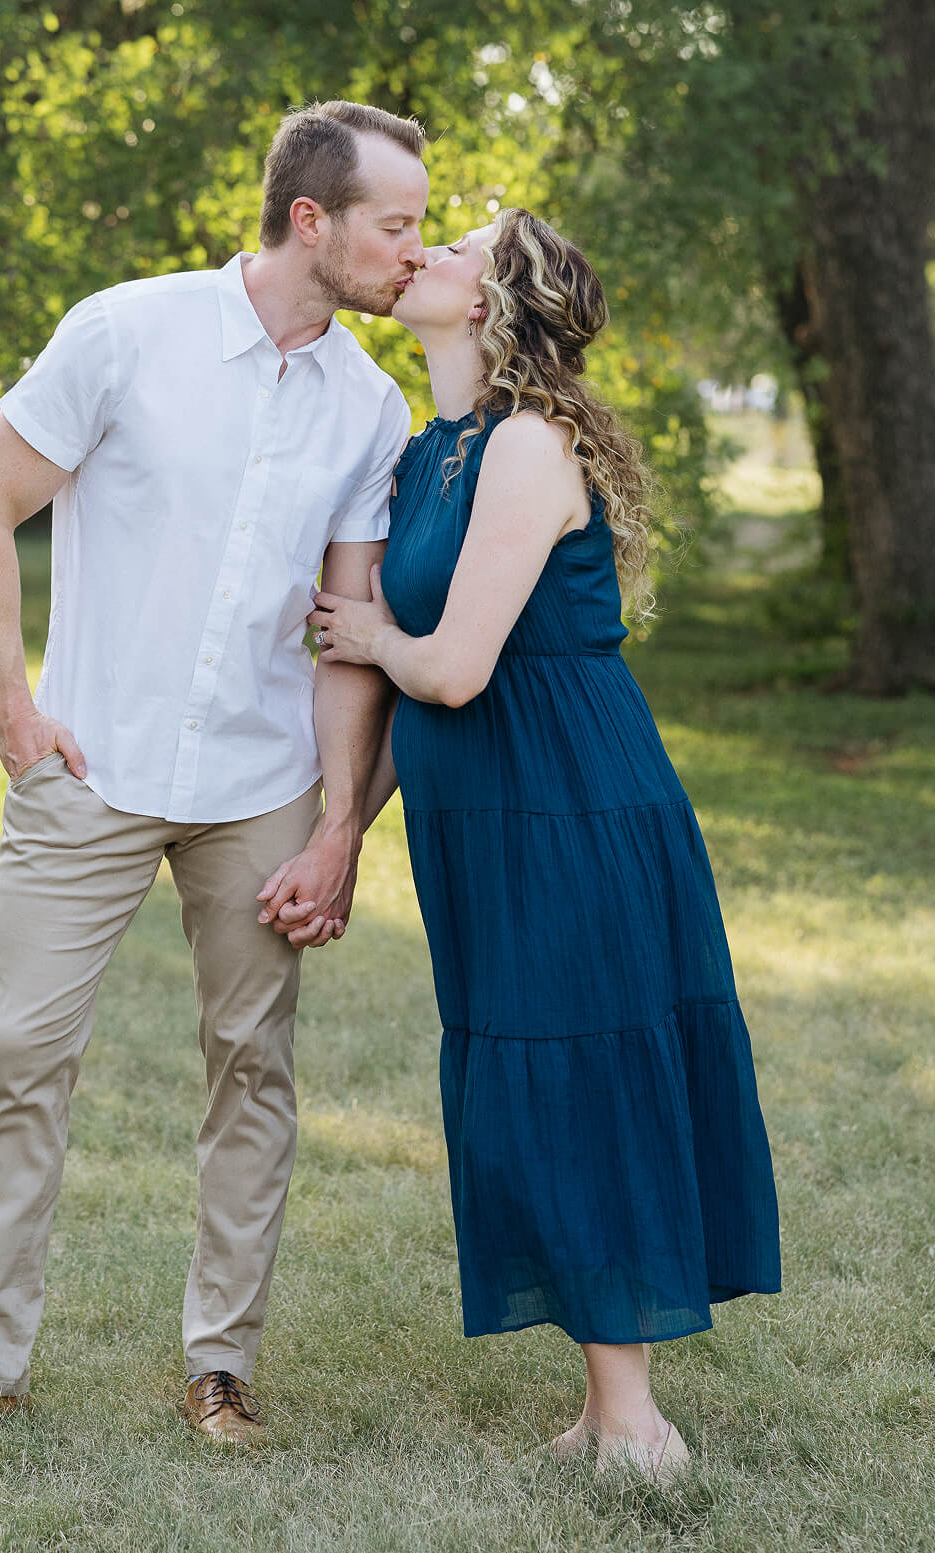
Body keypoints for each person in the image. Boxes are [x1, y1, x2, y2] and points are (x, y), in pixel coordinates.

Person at [0, 100, 428, 1449]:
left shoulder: (372, 409)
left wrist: (340, 826)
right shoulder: (124, 331)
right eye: (395, 224)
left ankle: (221, 1366)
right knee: (23, 1053)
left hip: (262, 785)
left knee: (253, 1067)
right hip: (91, 764)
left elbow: (346, 634)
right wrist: (15, 713)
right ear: (312, 220)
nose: (414, 252)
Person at [300, 210, 781, 1479]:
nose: (427, 250)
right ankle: (604, 1402)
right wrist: (341, 831)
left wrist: (369, 636)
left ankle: (635, 1423)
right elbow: (419, 693)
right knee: (530, 1083)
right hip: (485, 818)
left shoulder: (526, 444)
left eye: (460, 243)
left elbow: (450, 667)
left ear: (494, 301)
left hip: (571, 803)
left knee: (582, 1074)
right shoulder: (434, 451)